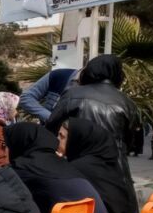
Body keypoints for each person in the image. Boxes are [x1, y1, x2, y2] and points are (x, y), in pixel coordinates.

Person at [47, 54, 141, 184]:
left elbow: (51, 127)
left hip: (78, 166)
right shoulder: (127, 102)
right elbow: (130, 140)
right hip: (116, 171)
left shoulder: (72, 95)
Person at [61, 118, 140, 213]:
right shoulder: (109, 166)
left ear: (78, 139)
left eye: (62, 137)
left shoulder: (80, 169)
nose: (56, 141)